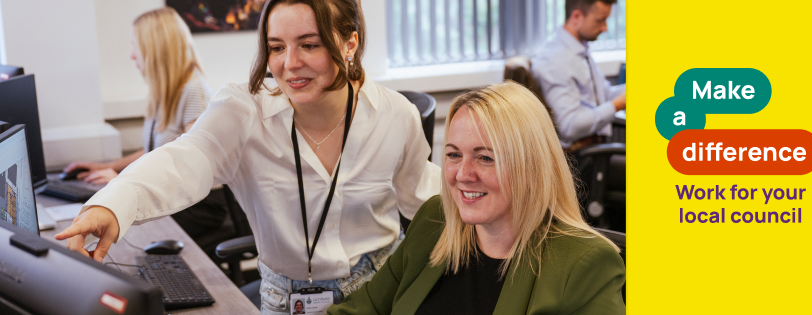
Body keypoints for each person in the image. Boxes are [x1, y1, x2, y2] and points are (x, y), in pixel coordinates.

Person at [55, 1, 440, 314]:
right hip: (285, 298)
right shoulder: (243, 111)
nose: (289, 63)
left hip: (379, 289)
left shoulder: (395, 115)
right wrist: (112, 204)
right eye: (276, 47)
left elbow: (423, 196)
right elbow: (186, 158)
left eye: (309, 44)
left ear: (349, 43)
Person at [327, 82, 625, 315]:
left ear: (531, 166)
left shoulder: (586, 264)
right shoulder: (436, 220)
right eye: (454, 155)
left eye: (484, 158)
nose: (463, 174)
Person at [62, 7, 229, 250]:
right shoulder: (166, 89)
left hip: (200, 206)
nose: (132, 55)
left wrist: (126, 184)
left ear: (155, 48)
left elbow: (192, 169)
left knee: (124, 240)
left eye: (135, 46)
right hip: (175, 197)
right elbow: (154, 151)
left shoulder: (194, 91)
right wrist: (107, 167)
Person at [531, 0, 625, 152]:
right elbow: (569, 126)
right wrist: (618, 105)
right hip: (581, 159)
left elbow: (604, 94)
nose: (605, 28)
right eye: (600, 20)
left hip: (594, 146)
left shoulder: (579, 50)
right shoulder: (556, 60)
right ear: (576, 16)